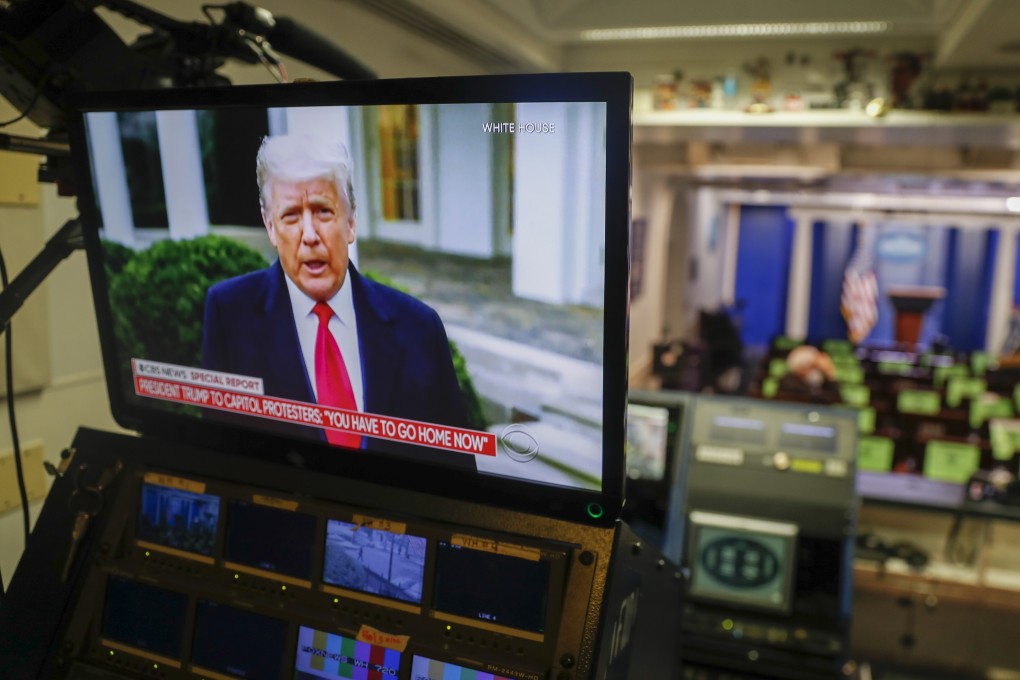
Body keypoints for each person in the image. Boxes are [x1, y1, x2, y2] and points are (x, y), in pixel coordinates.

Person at [201, 134, 473, 468]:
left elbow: (456, 473)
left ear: (351, 221)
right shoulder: (229, 315)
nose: (310, 234)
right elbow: (221, 462)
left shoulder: (420, 328)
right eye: (290, 216)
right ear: (270, 227)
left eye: (323, 211)